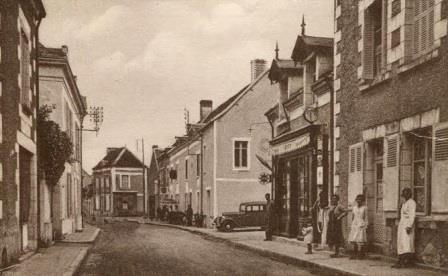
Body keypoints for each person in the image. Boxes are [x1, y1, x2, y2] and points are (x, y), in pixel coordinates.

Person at [392, 188, 416, 268]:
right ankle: (400, 261)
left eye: (407, 193)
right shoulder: (404, 203)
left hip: (407, 225)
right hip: (402, 224)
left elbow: (412, 215)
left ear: (410, 194)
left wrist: (409, 226)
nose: (405, 195)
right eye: (404, 193)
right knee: (401, 242)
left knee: (407, 243)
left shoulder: (412, 203)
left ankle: (406, 261)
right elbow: (401, 214)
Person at [348, 194, 368, 260]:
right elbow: (353, 217)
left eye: (360, 200)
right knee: (354, 239)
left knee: (360, 239)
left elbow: (366, 217)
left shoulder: (364, 208)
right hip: (355, 223)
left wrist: (365, 225)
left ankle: (360, 254)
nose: (359, 201)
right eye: (358, 199)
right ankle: (354, 253)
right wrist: (352, 224)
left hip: (361, 223)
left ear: (362, 201)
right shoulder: (354, 208)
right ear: (356, 200)